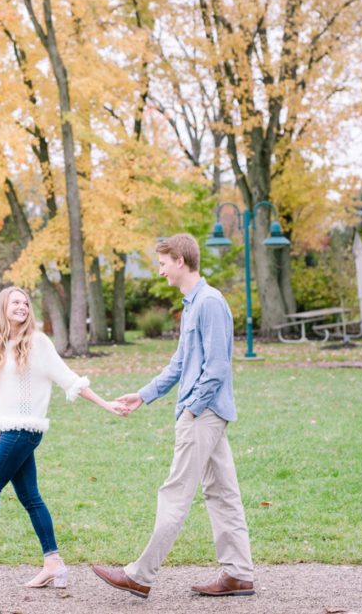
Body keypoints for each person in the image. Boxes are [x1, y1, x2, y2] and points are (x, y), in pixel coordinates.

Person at [91, 233, 256, 599]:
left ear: (180, 260)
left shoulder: (209, 303)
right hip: (207, 413)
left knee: (175, 493)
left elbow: (217, 367)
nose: (161, 270)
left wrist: (193, 408)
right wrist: (143, 395)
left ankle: (139, 575)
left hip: (204, 415)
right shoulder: (193, 303)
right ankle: (239, 574)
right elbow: (180, 363)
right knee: (222, 493)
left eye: (164, 263)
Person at [0, 286, 124, 588]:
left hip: (24, 431)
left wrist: (106, 404)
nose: (22, 307)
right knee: (29, 496)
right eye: (16, 302)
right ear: (3, 306)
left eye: (25, 303)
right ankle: (53, 564)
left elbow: (69, 379)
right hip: (6, 430)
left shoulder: (38, 342)